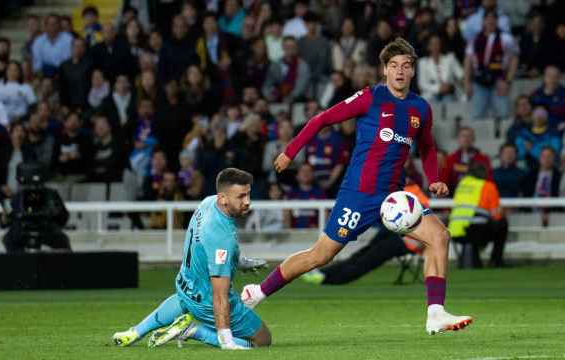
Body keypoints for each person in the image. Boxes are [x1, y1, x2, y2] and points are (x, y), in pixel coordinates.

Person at [241, 38, 472, 335]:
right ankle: (257, 293)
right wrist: (290, 151)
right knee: (320, 255)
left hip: (394, 200)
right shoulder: (370, 97)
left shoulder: (420, 108)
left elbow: (427, 147)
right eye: (394, 66)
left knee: (439, 235)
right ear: (385, 70)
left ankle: (436, 313)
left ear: (413, 71)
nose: (400, 71)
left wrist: (435, 177)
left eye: (406, 66)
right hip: (358, 196)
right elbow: (322, 119)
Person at [111, 168, 272, 350]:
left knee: (183, 300)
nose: (248, 202)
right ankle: (193, 331)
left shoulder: (207, 203)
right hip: (207, 301)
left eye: (248, 194)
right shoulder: (221, 236)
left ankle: (135, 332)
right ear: (223, 198)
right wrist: (226, 339)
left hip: (186, 284)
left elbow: (206, 250)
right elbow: (219, 295)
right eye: (241, 197)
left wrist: (240, 262)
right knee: (263, 340)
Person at [300, 181, 430, 285]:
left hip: (409, 240)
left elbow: (423, 222)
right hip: (395, 231)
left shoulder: (413, 194)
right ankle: (324, 273)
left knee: (368, 258)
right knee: (362, 254)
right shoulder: (398, 190)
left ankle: (330, 278)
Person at [463, 10, 519, 119]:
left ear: (497, 21)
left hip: (499, 81)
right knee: (476, 116)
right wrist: (467, 83)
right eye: (487, 19)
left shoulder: (505, 38)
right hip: (480, 81)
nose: (490, 21)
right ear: (483, 21)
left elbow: (514, 59)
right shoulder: (475, 39)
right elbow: (468, 61)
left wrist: (508, 81)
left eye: (493, 19)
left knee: (503, 115)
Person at [441, 126, 493, 193]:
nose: (466, 139)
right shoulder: (451, 159)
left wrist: (465, 169)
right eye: (463, 136)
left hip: (477, 195)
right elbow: (444, 181)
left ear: (473, 139)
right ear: (458, 139)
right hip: (454, 196)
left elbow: (488, 179)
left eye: (469, 136)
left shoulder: (483, 159)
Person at [417, 34, 464, 103]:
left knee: (449, 100)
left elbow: (461, 75)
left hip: (449, 94)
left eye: (438, 43)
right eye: (433, 44)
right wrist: (439, 88)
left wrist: (452, 86)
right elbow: (422, 84)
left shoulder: (450, 58)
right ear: (428, 47)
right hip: (431, 96)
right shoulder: (423, 62)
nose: (436, 46)